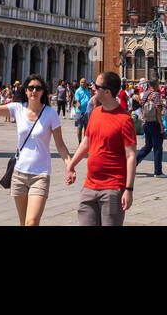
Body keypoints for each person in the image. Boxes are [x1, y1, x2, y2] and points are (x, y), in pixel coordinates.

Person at [0, 73, 71, 225]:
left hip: (40, 175)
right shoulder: (18, 108)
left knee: (32, 221)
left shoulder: (51, 113)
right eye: (31, 88)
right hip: (19, 174)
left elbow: (60, 145)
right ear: (25, 91)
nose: (34, 91)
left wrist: (69, 165)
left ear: (43, 91)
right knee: (23, 223)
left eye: (38, 88)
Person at [65, 72, 135, 226]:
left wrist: (128, 189)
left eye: (96, 86)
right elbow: (86, 143)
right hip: (89, 186)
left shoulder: (125, 120)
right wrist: (71, 165)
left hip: (112, 188)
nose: (93, 88)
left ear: (107, 92)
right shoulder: (95, 113)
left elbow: (131, 156)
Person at [134, 77, 165, 177]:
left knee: (148, 145)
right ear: (155, 85)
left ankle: (134, 162)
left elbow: (142, 106)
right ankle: (158, 171)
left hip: (146, 122)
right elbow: (158, 110)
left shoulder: (145, 93)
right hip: (154, 123)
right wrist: (161, 125)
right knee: (157, 147)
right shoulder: (156, 94)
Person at [73, 77, 92, 145]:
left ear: (86, 83)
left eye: (84, 82)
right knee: (79, 127)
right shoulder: (78, 91)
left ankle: (85, 142)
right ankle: (80, 142)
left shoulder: (89, 90)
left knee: (86, 128)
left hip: (88, 112)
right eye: (81, 82)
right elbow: (77, 100)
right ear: (80, 83)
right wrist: (78, 104)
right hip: (80, 112)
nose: (83, 83)